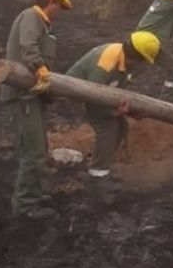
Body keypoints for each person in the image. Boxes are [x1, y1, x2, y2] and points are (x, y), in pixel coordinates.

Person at [0, 0, 71, 219]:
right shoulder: (31, 18)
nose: (60, 11)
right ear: (51, 0)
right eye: (60, 6)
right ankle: (26, 208)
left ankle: (32, 195)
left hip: (32, 99)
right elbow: (28, 47)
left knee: (38, 149)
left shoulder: (43, 25)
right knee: (34, 153)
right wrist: (42, 72)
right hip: (23, 99)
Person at [65, 31, 161, 178]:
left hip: (99, 92)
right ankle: (97, 175)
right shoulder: (104, 67)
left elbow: (117, 90)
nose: (143, 65)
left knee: (122, 126)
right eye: (143, 61)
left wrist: (131, 112)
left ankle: (103, 163)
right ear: (136, 57)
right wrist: (114, 113)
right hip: (73, 95)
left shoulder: (126, 60)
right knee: (108, 128)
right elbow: (92, 100)